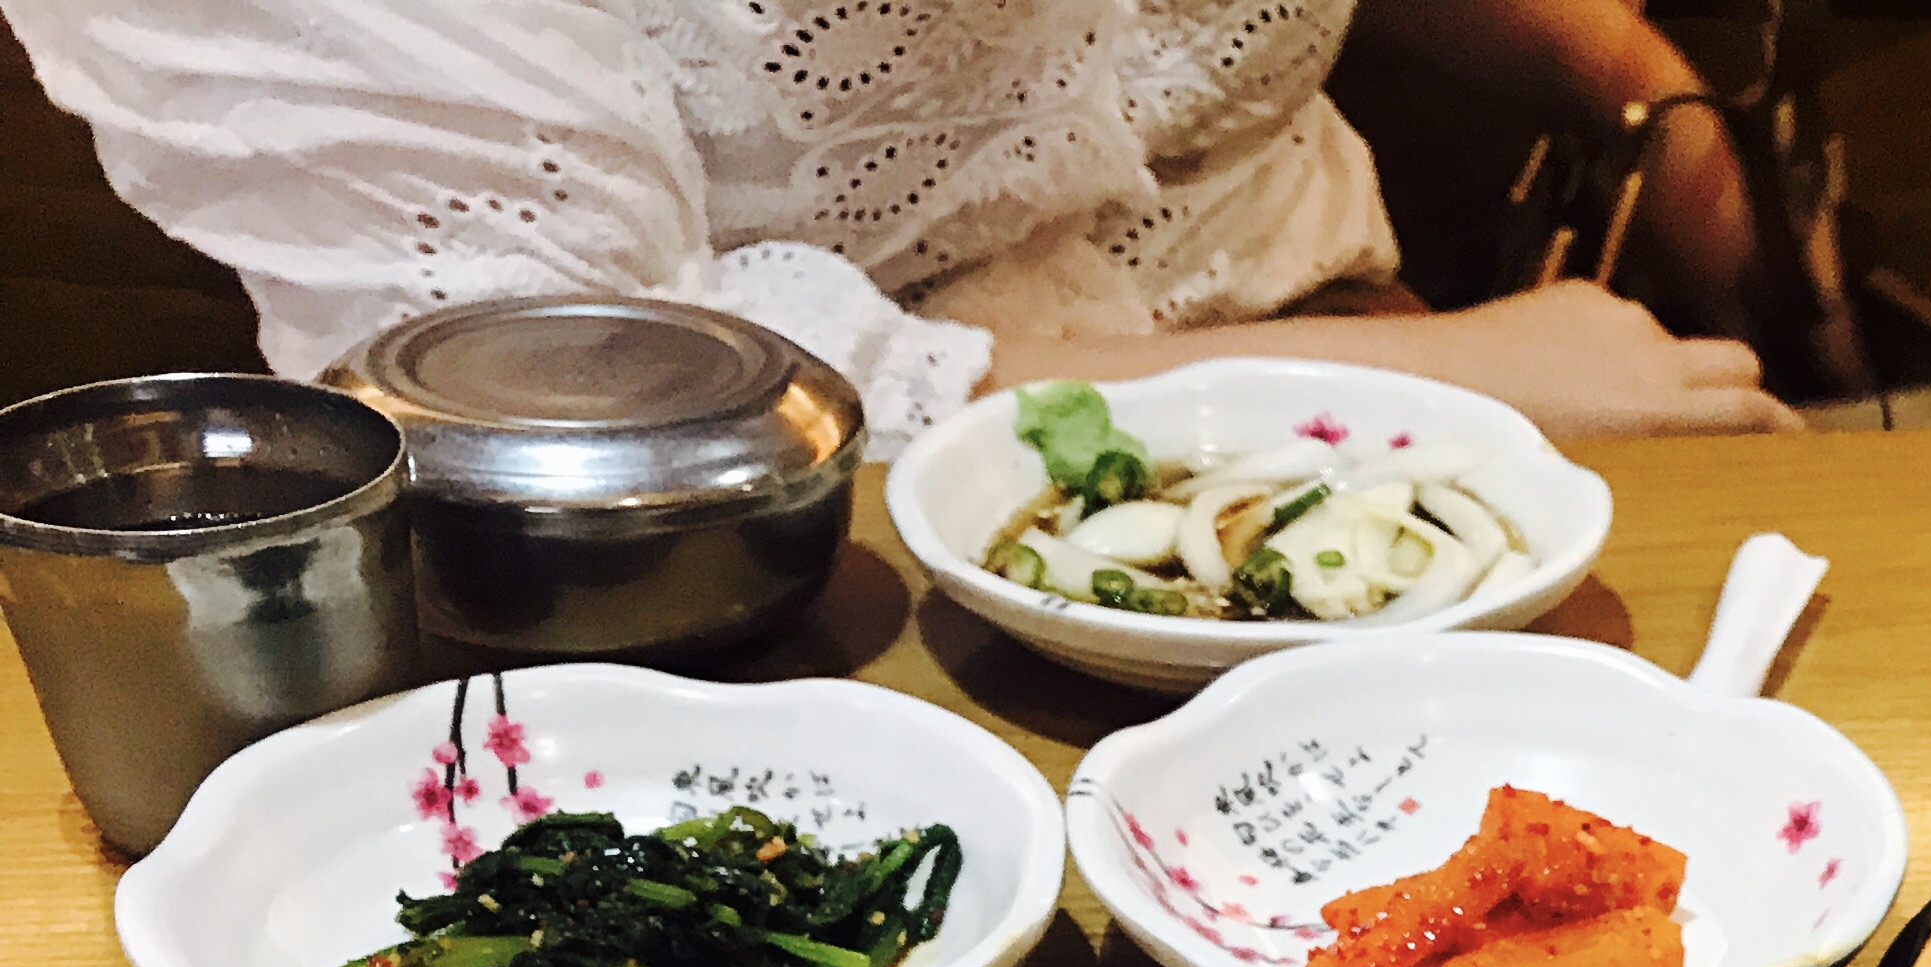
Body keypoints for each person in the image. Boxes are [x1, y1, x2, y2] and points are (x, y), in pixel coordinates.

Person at [4, 0, 1799, 448]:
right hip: (787, 572)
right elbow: (568, 375)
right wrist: (1404, 391)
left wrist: (1630, 79)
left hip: (1410, 359)